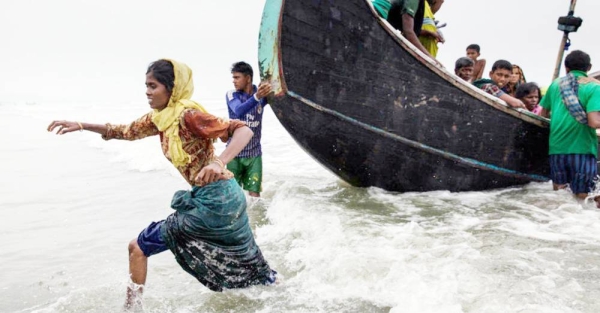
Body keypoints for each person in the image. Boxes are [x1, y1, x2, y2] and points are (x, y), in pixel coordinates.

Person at [47, 59, 277, 309]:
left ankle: (131, 309)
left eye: (153, 86)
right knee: (253, 268)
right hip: (227, 200)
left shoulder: (190, 116)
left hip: (215, 203)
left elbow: (243, 130)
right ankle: (280, 299)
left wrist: (219, 163)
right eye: (146, 85)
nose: (147, 91)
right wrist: (81, 125)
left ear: (172, 88)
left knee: (137, 247)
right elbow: (124, 131)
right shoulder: (160, 119)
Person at [539, 50, 600, 206]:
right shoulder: (594, 87)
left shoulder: (555, 84)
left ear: (566, 67)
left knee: (559, 194)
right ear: (589, 67)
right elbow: (594, 122)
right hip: (582, 149)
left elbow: (543, 114)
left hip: (557, 148)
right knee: (583, 196)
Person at [226, 62, 271, 197]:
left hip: (254, 155)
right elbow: (239, 110)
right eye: (233, 77)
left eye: (237, 77)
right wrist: (257, 97)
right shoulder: (231, 94)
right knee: (233, 195)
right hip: (234, 155)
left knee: (255, 196)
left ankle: (255, 218)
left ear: (248, 78)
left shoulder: (262, 93)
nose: (234, 81)